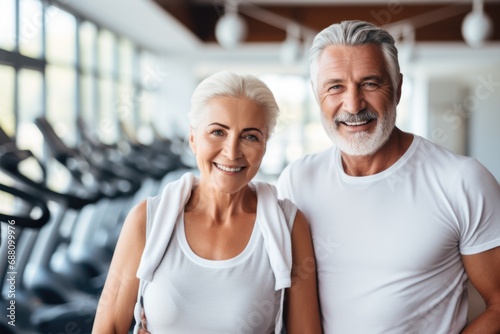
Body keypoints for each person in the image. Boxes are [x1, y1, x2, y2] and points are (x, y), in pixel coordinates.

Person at [276, 20, 500, 334]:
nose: (353, 105)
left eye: (370, 83)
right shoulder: (297, 181)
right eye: (335, 86)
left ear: (398, 87)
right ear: (317, 95)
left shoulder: (462, 180)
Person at [92, 71, 322, 334]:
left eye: (250, 136)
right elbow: (107, 327)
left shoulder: (289, 225)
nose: (232, 152)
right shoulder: (146, 219)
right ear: (193, 139)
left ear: (265, 146)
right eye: (217, 132)